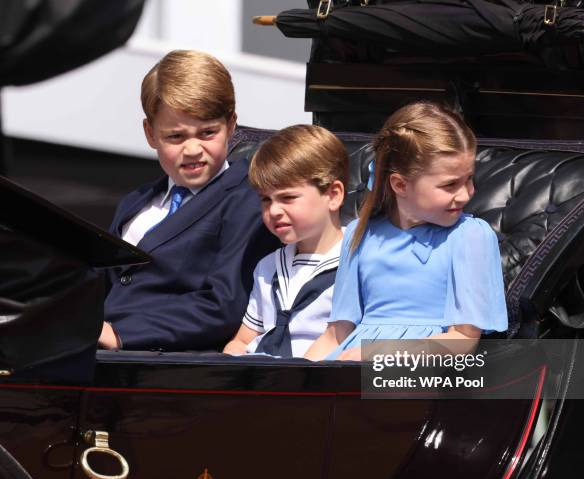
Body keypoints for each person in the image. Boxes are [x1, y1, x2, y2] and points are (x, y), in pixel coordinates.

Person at [99, 50, 277, 351]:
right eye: (176, 137)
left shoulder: (250, 199)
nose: (193, 149)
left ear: (231, 126)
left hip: (167, 362)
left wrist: (120, 334)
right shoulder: (136, 202)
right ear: (150, 133)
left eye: (207, 133)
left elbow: (224, 303)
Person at [305, 101, 508, 361]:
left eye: (469, 179)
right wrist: (300, 378)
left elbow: (465, 338)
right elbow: (337, 333)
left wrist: (379, 354)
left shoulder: (470, 235)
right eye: (450, 185)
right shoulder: (360, 234)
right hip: (351, 367)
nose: (466, 193)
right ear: (400, 184)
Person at [223, 125, 347, 358]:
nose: (274, 210)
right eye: (266, 200)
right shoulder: (267, 267)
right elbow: (243, 340)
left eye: (288, 198)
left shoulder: (358, 262)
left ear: (333, 195)